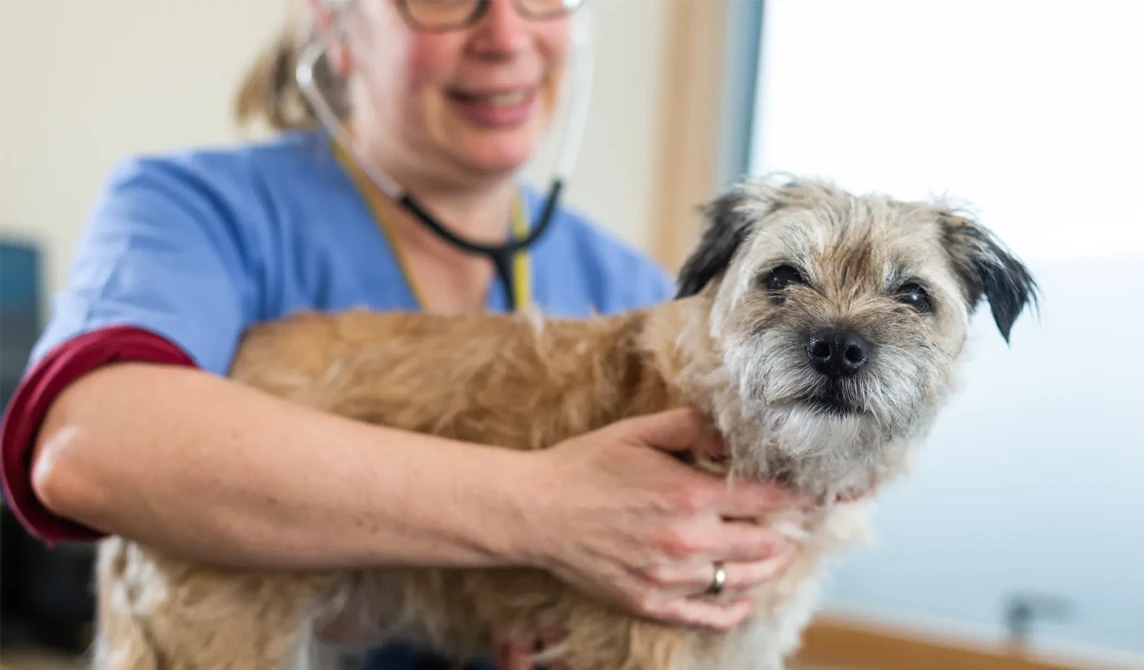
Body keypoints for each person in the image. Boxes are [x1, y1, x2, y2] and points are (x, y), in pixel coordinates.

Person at [0, 0, 805, 668]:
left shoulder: (633, 292)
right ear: (334, 23)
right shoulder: (193, 210)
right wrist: (546, 512)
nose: (506, 35)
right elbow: (89, 452)